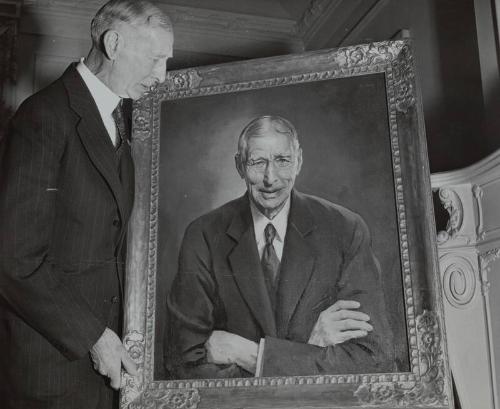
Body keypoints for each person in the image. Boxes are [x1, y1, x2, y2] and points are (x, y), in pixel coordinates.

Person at [0, 1, 173, 408]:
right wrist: (95, 337)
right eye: (155, 59)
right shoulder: (43, 115)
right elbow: (13, 259)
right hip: (49, 371)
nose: (162, 75)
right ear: (113, 43)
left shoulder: (128, 122)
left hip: (101, 372)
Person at [166, 115, 394, 379]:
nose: (270, 178)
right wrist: (310, 348)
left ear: (298, 161)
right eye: (257, 162)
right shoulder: (203, 235)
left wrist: (254, 357)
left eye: (282, 161)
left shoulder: (345, 229)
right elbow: (181, 365)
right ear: (240, 166)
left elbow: (374, 359)